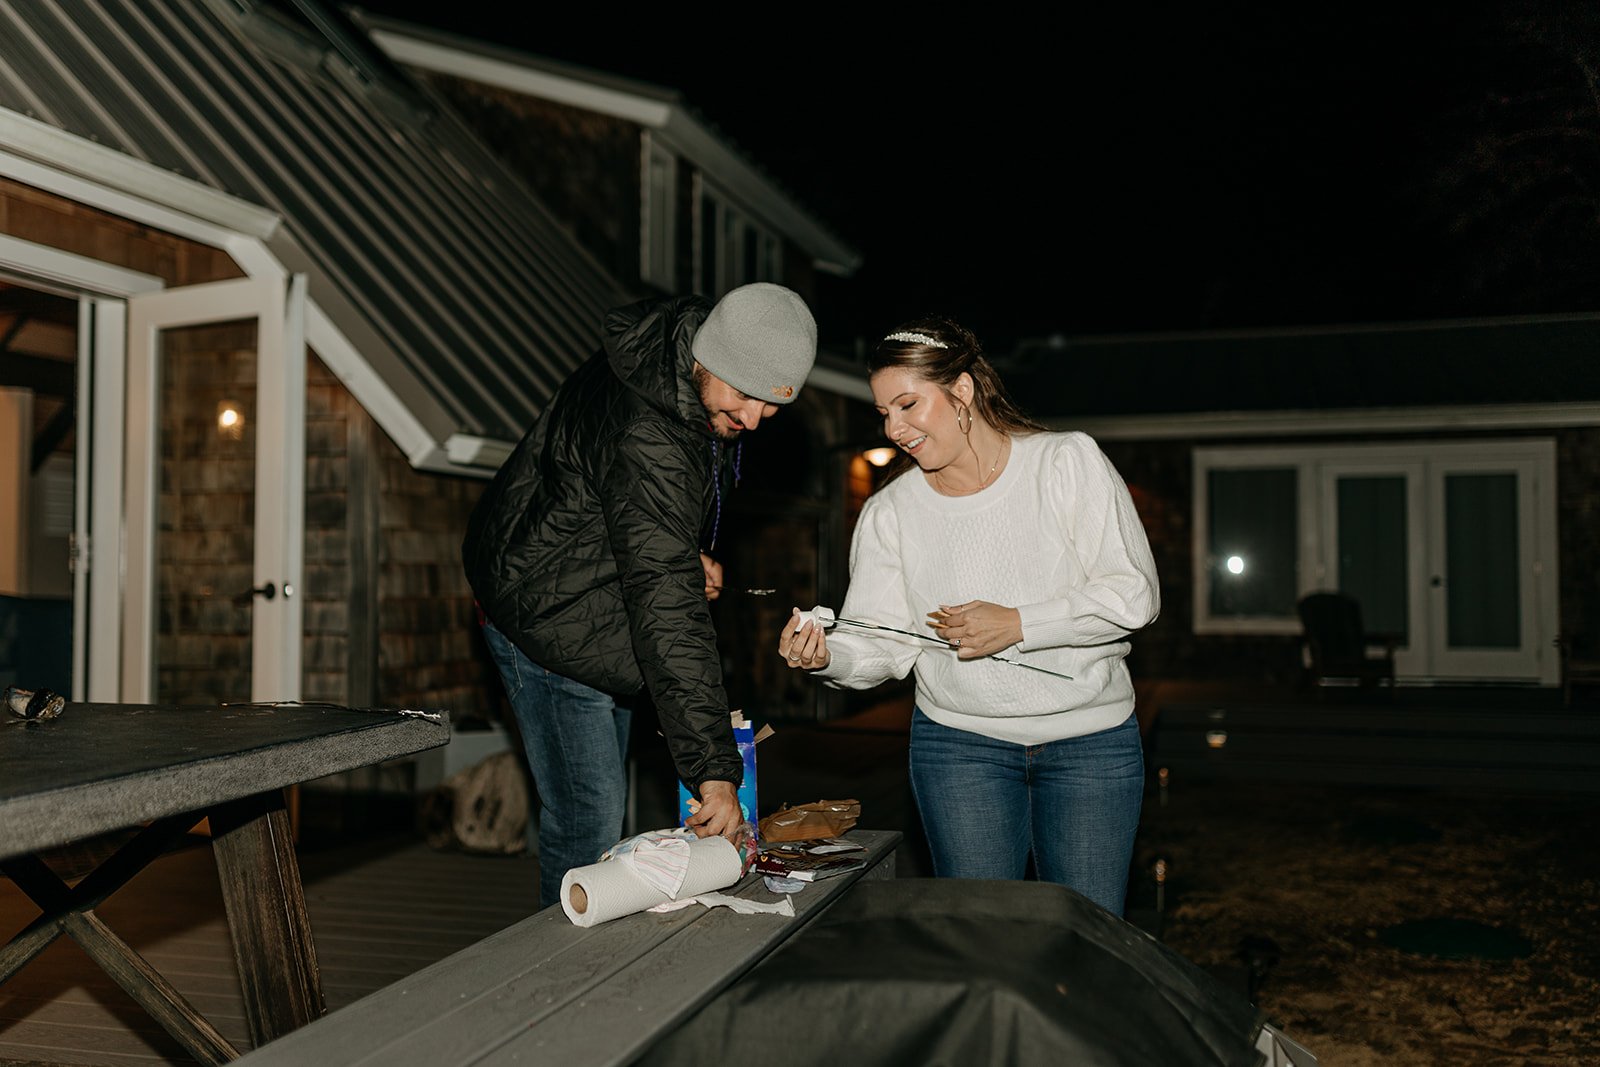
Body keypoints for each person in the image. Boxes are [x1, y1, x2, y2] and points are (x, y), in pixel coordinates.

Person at [778, 315, 1159, 915]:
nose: (895, 428)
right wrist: (828, 656)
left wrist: (1019, 623)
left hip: (1090, 744)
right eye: (883, 413)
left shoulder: (1065, 462)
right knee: (978, 931)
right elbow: (879, 641)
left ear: (961, 391)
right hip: (959, 750)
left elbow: (1132, 595)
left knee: (1086, 935)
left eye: (907, 405)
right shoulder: (891, 511)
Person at [463, 282, 818, 909]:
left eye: (773, 406)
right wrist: (714, 774)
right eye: (746, 396)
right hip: (545, 611)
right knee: (588, 813)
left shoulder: (673, 364)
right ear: (709, 359)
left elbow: (630, 508)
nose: (755, 419)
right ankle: (556, 987)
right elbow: (667, 609)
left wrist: (679, 552)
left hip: (591, 595)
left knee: (602, 803)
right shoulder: (649, 430)